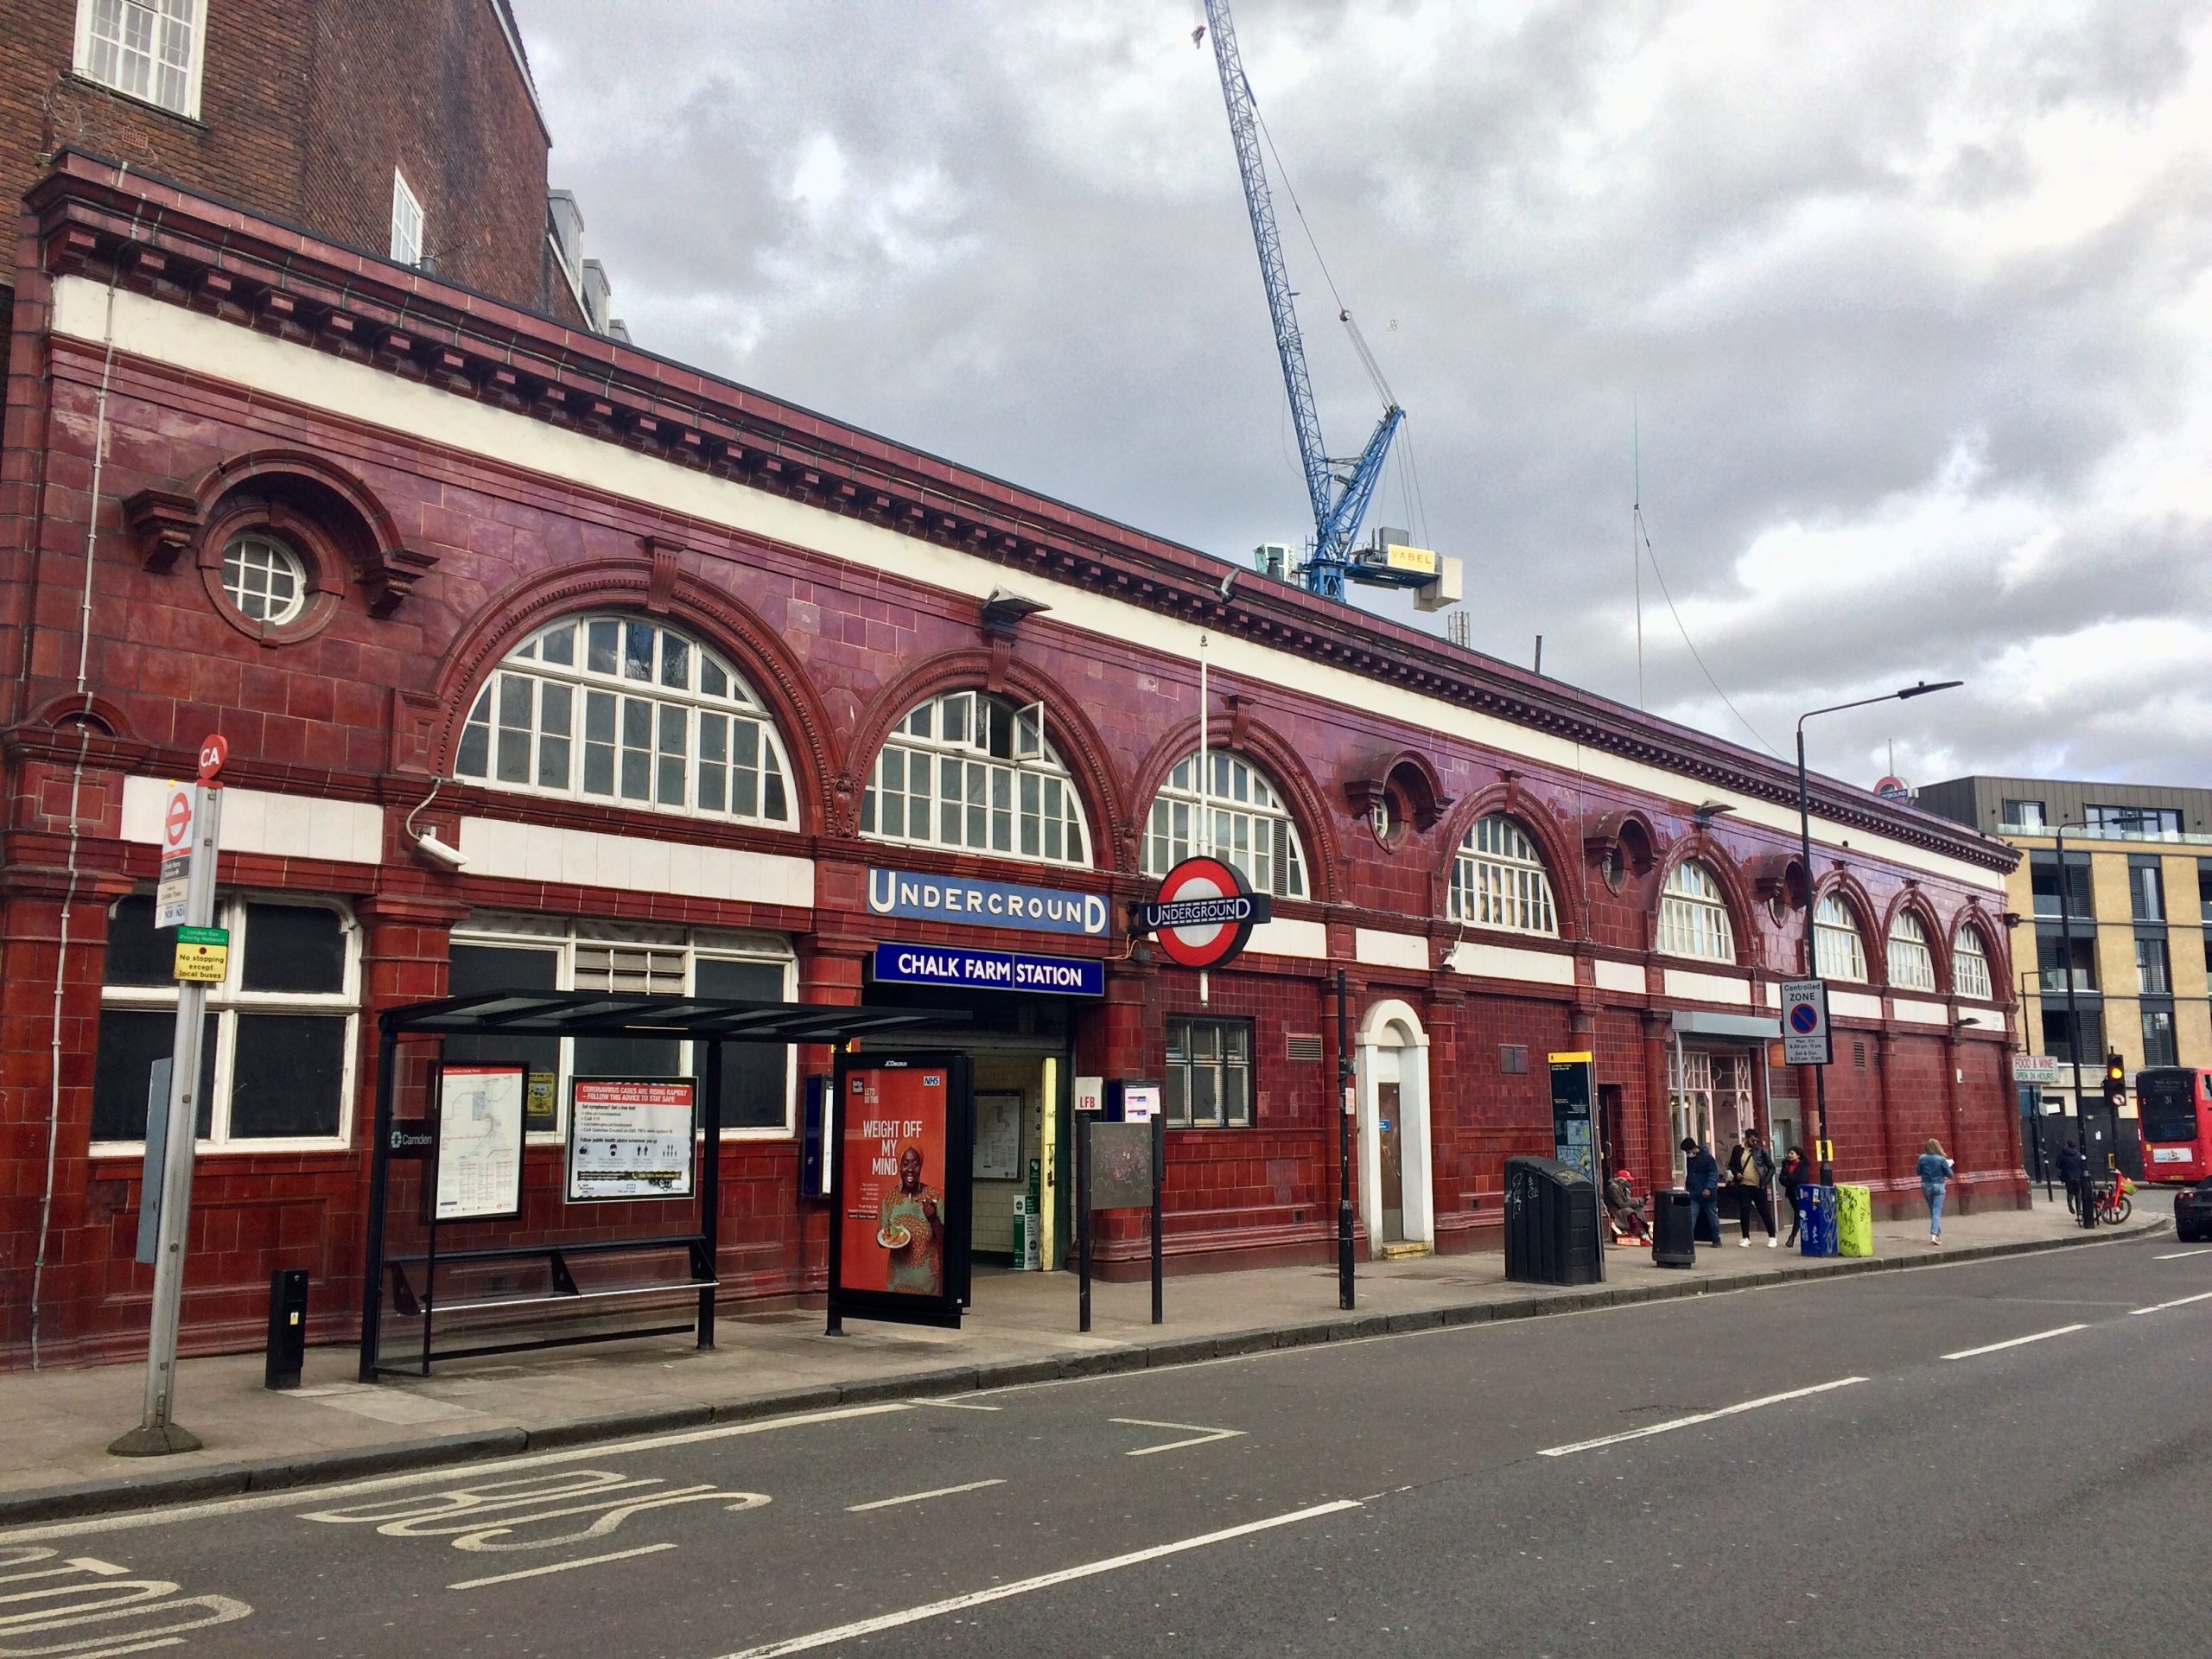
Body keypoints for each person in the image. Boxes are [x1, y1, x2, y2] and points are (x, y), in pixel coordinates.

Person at [880, 1144, 944, 1296]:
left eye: (915, 1164)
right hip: (897, 1282)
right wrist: (891, 1237)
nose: (910, 1169)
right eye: (906, 1163)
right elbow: (880, 1238)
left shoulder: (932, 1196)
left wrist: (933, 1218)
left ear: (921, 1166)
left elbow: (945, 1239)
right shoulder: (889, 1198)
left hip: (927, 1283)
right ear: (899, 1165)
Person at [1728, 1128, 1779, 1247]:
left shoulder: (1761, 1151)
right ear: (1746, 1139)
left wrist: (1765, 1181)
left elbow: (1771, 1167)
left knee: (1764, 1211)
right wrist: (1737, 1173)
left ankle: (1772, 1236)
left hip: (1758, 1186)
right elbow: (1732, 1164)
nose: (1755, 1143)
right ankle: (1746, 1237)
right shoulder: (1738, 1150)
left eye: (1757, 1141)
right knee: (1744, 1211)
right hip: (1744, 1185)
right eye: (1752, 1141)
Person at [1681, 1136, 1721, 1246]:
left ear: (1694, 1149)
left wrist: (1708, 1188)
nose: (1687, 1154)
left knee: (1712, 1215)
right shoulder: (1691, 1159)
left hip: (1707, 1193)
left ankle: (1716, 1239)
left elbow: (1713, 1174)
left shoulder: (1708, 1158)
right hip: (1694, 1193)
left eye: (1688, 1151)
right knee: (1691, 1216)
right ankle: (1688, 1240)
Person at [1917, 1136, 1955, 1244]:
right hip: (1938, 1186)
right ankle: (1934, 1235)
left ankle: (1937, 1235)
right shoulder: (1941, 1159)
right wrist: (1948, 1166)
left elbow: (1918, 1172)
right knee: (1936, 1211)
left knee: (1933, 1211)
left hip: (1926, 1186)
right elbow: (1950, 1175)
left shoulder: (1922, 1158)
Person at [1604, 1168, 1650, 1244]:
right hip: (1615, 1212)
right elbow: (1621, 1204)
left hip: (1623, 1210)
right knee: (1628, 1210)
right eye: (1627, 1181)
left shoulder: (1625, 1189)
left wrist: (1641, 1201)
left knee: (1639, 1209)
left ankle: (1643, 1229)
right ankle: (1637, 1230)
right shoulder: (1612, 1189)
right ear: (1621, 1180)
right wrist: (1636, 1202)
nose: (1629, 1183)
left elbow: (1628, 1201)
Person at [1778, 1145, 1808, 1247]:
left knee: (1798, 1213)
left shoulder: (1803, 1166)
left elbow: (1800, 1180)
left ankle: (1792, 1236)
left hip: (1800, 1193)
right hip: (1791, 1193)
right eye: (1789, 1153)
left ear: (1798, 1155)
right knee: (1798, 1212)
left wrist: (1790, 1178)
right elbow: (1782, 1179)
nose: (1789, 1155)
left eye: (1792, 1153)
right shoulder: (1786, 1165)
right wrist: (1790, 1180)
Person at [2056, 1139, 2086, 1217]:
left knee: (2070, 1192)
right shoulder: (2078, 1154)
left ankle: (2070, 1204)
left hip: (2068, 1176)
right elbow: (2082, 1165)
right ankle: (2079, 1211)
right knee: (2078, 1194)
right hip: (2077, 1176)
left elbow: (2058, 1165)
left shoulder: (2063, 1154)